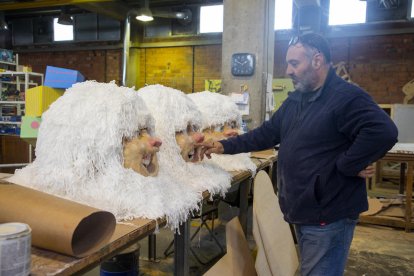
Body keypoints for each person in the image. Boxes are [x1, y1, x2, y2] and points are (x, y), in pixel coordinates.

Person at [200, 33, 398, 276]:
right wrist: (223, 146)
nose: (288, 70)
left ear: (317, 60)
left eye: (295, 63)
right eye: (288, 63)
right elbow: (267, 134)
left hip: (328, 214)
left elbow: (384, 131)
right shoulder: (298, 99)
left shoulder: (345, 97)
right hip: (305, 209)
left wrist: (349, 163)